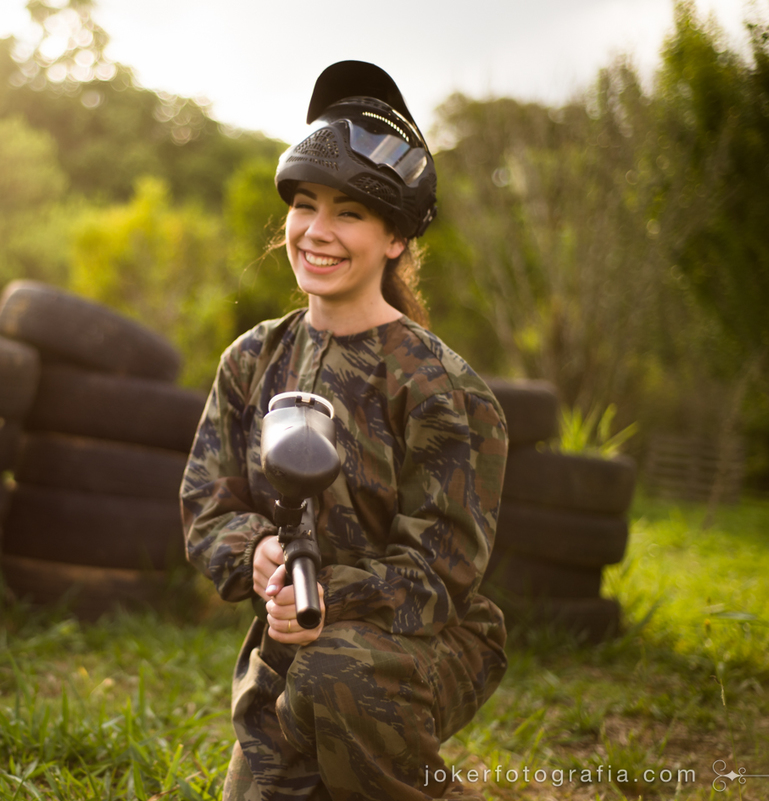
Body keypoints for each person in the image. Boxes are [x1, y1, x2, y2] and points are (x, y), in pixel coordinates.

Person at [180, 61, 509, 801]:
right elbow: (206, 504)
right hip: (291, 648)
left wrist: (325, 594)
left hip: (422, 640)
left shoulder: (444, 389)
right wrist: (257, 553)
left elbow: (440, 573)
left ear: (396, 239)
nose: (317, 232)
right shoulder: (252, 360)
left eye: (350, 213)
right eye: (305, 205)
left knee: (338, 674)